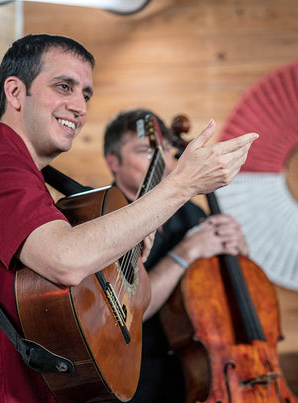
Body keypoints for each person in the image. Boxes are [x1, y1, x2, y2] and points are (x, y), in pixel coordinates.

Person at [0, 34, 257, 402]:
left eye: (85, 94)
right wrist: (182, 183)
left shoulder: (38, 181)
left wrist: (132, 257)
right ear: (14, 93)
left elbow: (133, 304)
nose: (79, 106)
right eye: (64, 87)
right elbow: (65, 259)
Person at [103, 108, 249, 402]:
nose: (164, 161)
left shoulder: (191, 213)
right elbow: (125, 311)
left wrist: (239, 251)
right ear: (113, 162)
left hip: (192, 371)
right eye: (147, 150)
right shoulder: (104, 216)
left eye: (168, 151)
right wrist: (187, 252)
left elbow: (221, 288)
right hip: (132, 377)